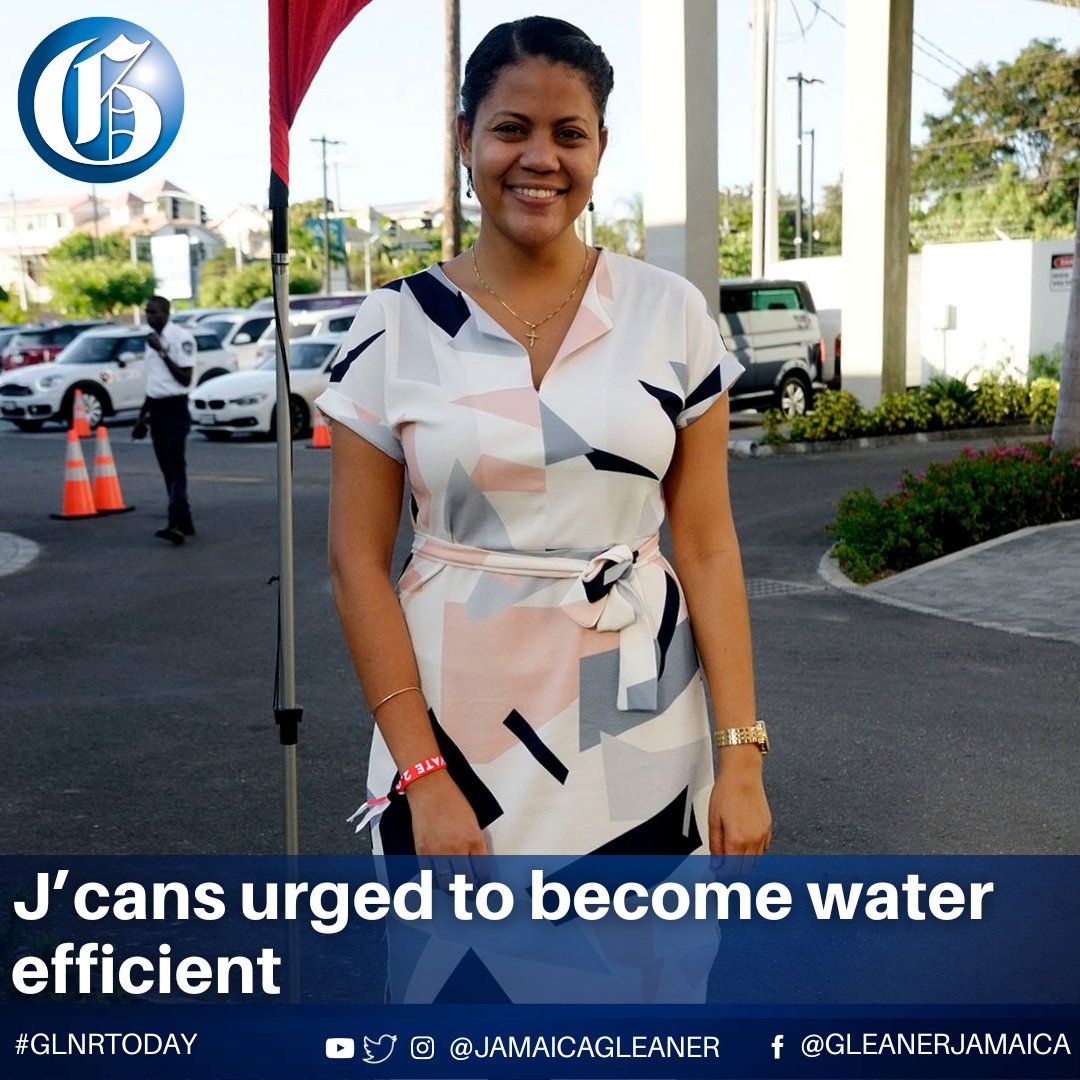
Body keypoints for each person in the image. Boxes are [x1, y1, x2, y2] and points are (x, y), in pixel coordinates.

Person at [319, 17, 770, 863]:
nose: (540, 158)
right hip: (453, 737)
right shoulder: (393, 325)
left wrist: (741, 755)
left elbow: (708, 546)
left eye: (570, 134)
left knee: (649, 987)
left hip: (640, 730)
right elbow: (355, 566)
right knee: (457, 984)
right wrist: (424, 772)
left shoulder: (669, 313)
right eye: (510, 129)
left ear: (601, 147)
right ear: (465, 139)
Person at [137, 296, 197, 546]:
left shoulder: (180, 338)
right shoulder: (150, 340)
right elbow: (154, 383)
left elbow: (185, 378)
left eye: (155, 312)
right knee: (166, 467)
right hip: (157, 408)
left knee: (175, 465)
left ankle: (175, 524)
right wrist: (142, 417)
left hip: (175, 408)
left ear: (167, 313)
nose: (150, 317)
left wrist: (161, 351)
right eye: (147, 312)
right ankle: (185, 521)